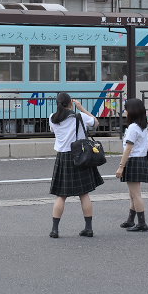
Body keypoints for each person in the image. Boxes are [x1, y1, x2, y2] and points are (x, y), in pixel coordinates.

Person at [48, 92, 103, 238]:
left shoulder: (52, 118)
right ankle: (88, 228)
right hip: (80, 156)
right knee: (84, 194)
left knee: (61, 195)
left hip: (63, 158)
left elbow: (54, 131)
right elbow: (96, 122)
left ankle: (55, 230)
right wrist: (81, 108)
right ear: (71, 103)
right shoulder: (79, 117)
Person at [116, 98, 148, 232]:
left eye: (126, 109)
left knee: (135, 195)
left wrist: (121, 166)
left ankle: (142, 223)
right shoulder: (142, 126)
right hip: (141, 160)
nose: (125, 111)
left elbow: (128, 149)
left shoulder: (133, 128)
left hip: (133, 161)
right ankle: (131, 220)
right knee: (133, 194)